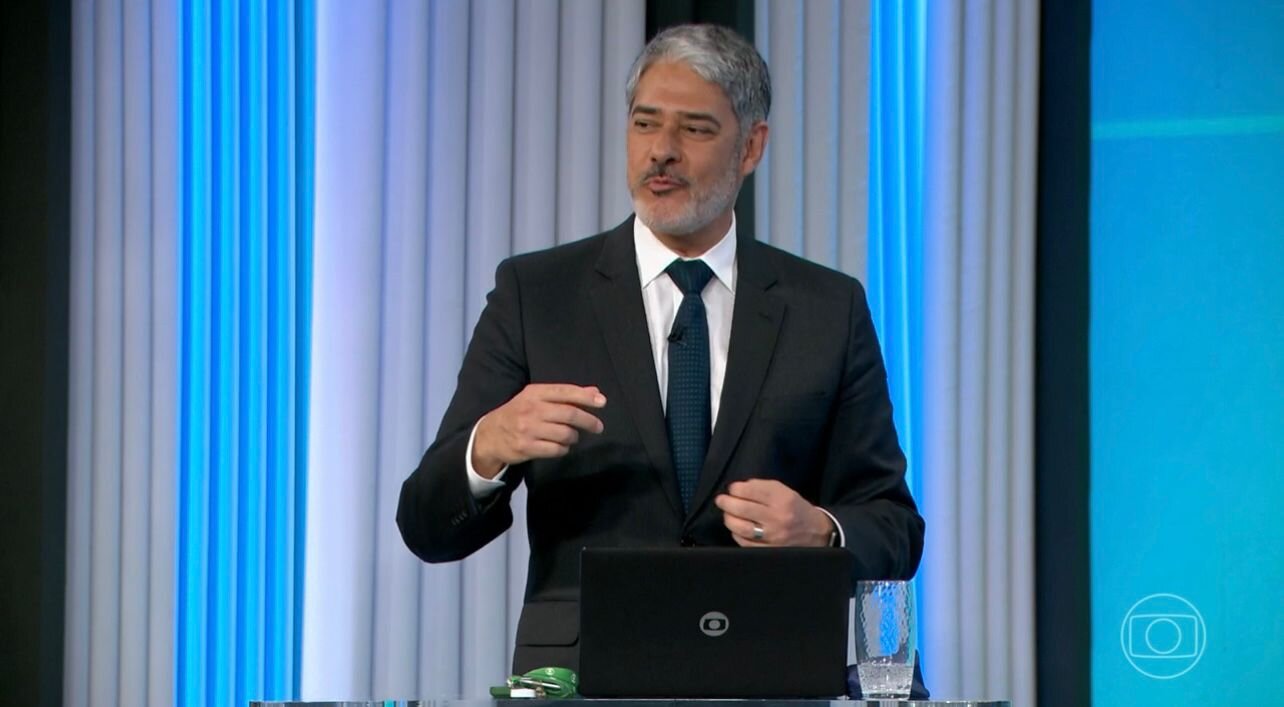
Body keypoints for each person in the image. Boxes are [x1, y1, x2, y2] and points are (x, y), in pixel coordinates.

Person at [396, 24, 924, 674]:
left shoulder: (826, 308)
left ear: (752, 146)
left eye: (695, 129)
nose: (662, 152)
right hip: (583, 681)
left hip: (770, 674)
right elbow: (425, 525)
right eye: (645, 124)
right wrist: (489, 445)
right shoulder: (538, 294)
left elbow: (895, 528)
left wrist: (819, 529)